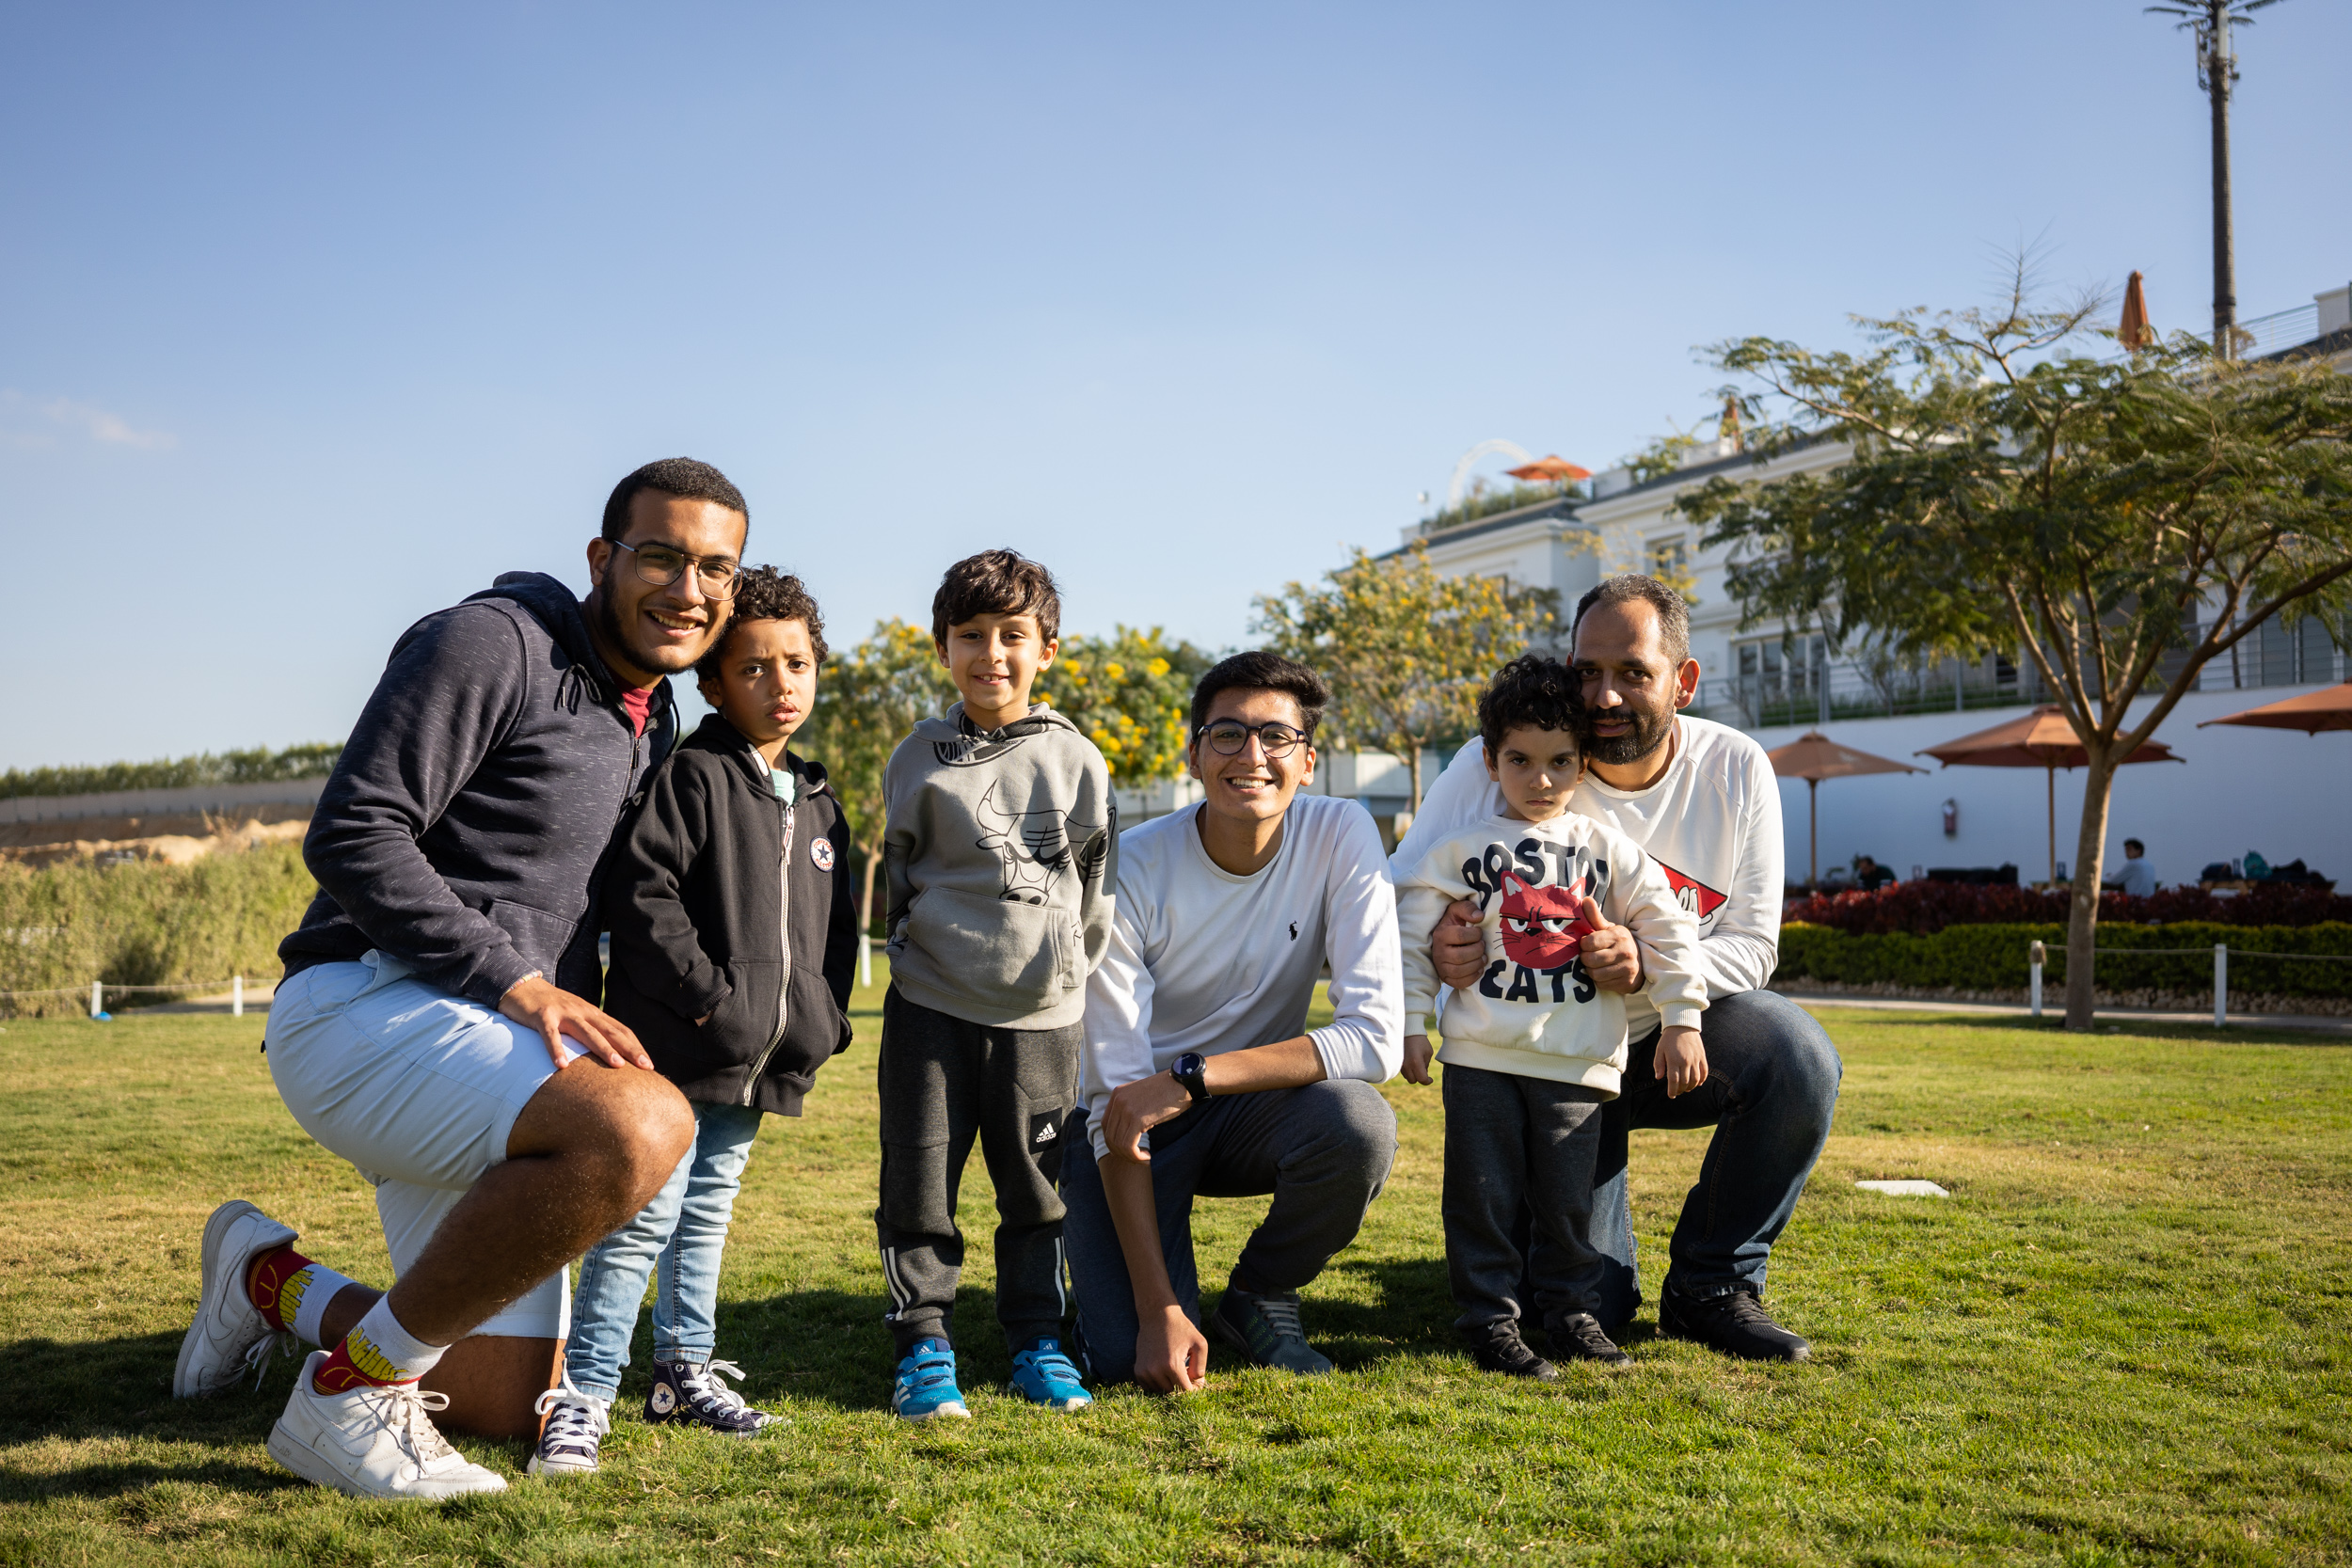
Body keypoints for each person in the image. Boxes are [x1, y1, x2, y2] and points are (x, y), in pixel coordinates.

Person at [175, 458, 749, 1499]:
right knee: (638, 1126)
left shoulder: (649, 716)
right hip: (362, 1003)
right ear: (603, 557)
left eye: (716, 567)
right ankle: (345, 1396)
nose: (689, 588)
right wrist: (517, 982)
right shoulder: (493, 641)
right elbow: (353, 833)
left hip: (487, 1051)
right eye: (662, 556)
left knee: (499, 1400)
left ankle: (266, 1278)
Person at [1395, 573, 1842, 1363]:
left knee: (1796, 1052)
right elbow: (1399, 889)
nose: (1604, 695)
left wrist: (1647, 970)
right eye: (1587, 670)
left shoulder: (1736, 766)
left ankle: (1714, 1284)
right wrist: (1442, 946)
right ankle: (1531, 1257)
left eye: (1633, 671)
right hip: (1545, 1053)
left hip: (1673, 1044)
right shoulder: (1497, 760)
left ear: (1683, 680)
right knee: (1590, 1302)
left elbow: (1755, 944)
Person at [532, 567, 857, 1477]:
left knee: (707, 1210)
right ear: (712, 683)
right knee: (643, 1219)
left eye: (797, 664)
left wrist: (824, 1021)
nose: (781, 683)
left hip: (759, 1061)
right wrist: (712, 998)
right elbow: (645, 897)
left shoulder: (820, 802)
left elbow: (837, 935)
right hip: (673, 1049)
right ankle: (584, 1394)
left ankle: (681, 1373)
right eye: (754, 668)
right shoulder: (693, 774)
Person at [1066, 652, 1406, 1391]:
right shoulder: (1131, 868)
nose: (1252, 755)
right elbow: (1114, 1099)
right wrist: (1156, 1309)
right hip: (1128, 1125)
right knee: (1130, 1359)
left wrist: (1193, 1078)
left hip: (1242, 1108)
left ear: (1308, 762)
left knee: (1359, 1122)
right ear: (1194, 755)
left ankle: (1258, 1291)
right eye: (1227, 734)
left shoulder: (1342, 833)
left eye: (1276, 736)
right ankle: (1096, 1279)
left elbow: (1376, 1037)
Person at [1394, 655, 1704, 1380]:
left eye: (1560, 760)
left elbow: (1669, 925)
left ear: (1583, 760)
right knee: (1481, 1201)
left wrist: (1683, 1017)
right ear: (1490, 760)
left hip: (1576, 1063)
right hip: (1480, 1060)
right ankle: (1489, 1324)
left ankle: (1571, 1318)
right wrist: (1411, 1023)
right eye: (1520, 760)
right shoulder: (1457, 852)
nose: (1541, 779)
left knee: (1568, 1206)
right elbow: (1410, 936)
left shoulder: (1610, 851)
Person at [872, 549, 1117, 1420]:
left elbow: (1094, 890)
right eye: (971, 635)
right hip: (930, 1007)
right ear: (943, 647)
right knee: (919, 1181)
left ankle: (1038, 1339)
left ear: (1046, 648)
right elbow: (899, 879)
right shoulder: (916, 758)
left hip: (1043, 1017)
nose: (992, 654)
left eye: (1013, 635)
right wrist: (920, 952)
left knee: (1037, 1188)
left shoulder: (1078, 758)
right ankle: (923, 1342)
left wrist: (1059, 972)